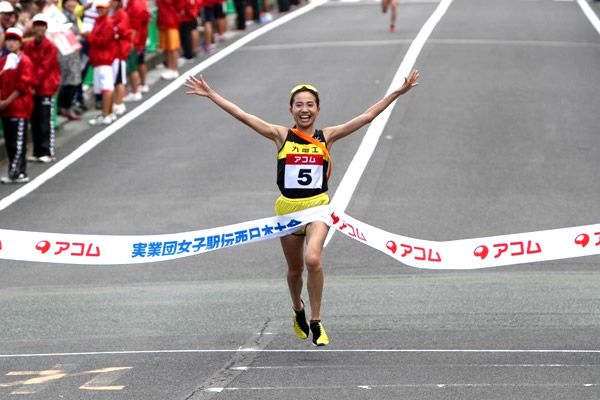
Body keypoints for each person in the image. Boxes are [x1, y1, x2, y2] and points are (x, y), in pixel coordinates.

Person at [184, 69, 420, 346]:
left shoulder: (326, 136)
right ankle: (298, 308)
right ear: (291, 109)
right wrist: (211, 94)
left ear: (318, 109)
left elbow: (367, 116)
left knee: (313, 260)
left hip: (318, 208)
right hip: (288, 210)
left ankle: (317, 321)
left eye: (310, 105)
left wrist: (397, 93)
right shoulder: (280, 135)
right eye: (299, 105)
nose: (304, 110)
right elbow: (243, 115)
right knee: (295, 270)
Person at [24, 13, 61, 164]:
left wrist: (32, 84)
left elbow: (44, 68)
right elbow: (26, 65)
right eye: (37, 25)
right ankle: (37, 151)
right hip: (33, 88)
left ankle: (47, 151)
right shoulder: (29, 46)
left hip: (45, 87)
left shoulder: (50, 47)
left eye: (42, 25)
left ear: (46, 28)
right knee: (35, 119)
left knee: (45, 119)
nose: (39, 28)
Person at [0, 27, 34, 184]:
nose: (11, 43)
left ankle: (16, 172)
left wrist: (7, 101)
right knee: (10, 141)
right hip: (6, 109)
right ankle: (18, 172)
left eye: (14, 40)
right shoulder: (3, 62)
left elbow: (23, 85)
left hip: (20, 107)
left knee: (18, 141)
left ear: (20, 42)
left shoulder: (25, 61)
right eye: (9, 40)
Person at [84, 0, 117, 125]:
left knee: (106, 88)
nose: (100, 10)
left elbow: (104, 41)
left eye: (102, 7)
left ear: (107, 9)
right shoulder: (100, 21)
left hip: (104, 59)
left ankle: (106, 114)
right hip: (99, 59)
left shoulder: (107, 22)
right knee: (105, 88)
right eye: (98, 7)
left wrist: (89, 37)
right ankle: (108, 113)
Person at [123, 0, 149, 100]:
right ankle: (142, 85)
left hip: (136, 39)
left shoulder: (135, 4)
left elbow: (135, 26)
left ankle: (135, 90)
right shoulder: (137, 3)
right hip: (140, 38)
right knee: (139, 62)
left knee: (132, 66)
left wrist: (131, 42)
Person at [110, 0, 131, 116]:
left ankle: (119, 103)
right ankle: (116, 103)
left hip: (119, 51)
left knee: (119, 80)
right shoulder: (114, 14)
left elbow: (121, 30)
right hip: (115, 52)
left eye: (115, 1)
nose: (112, 4)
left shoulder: (122, 14)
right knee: (115, 80)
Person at [156, 0, 183, 80]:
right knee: (167, 47)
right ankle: (170, 68)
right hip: (163, 22)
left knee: (172, 47)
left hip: (171, 21)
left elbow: (180, 5)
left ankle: (173, 69)